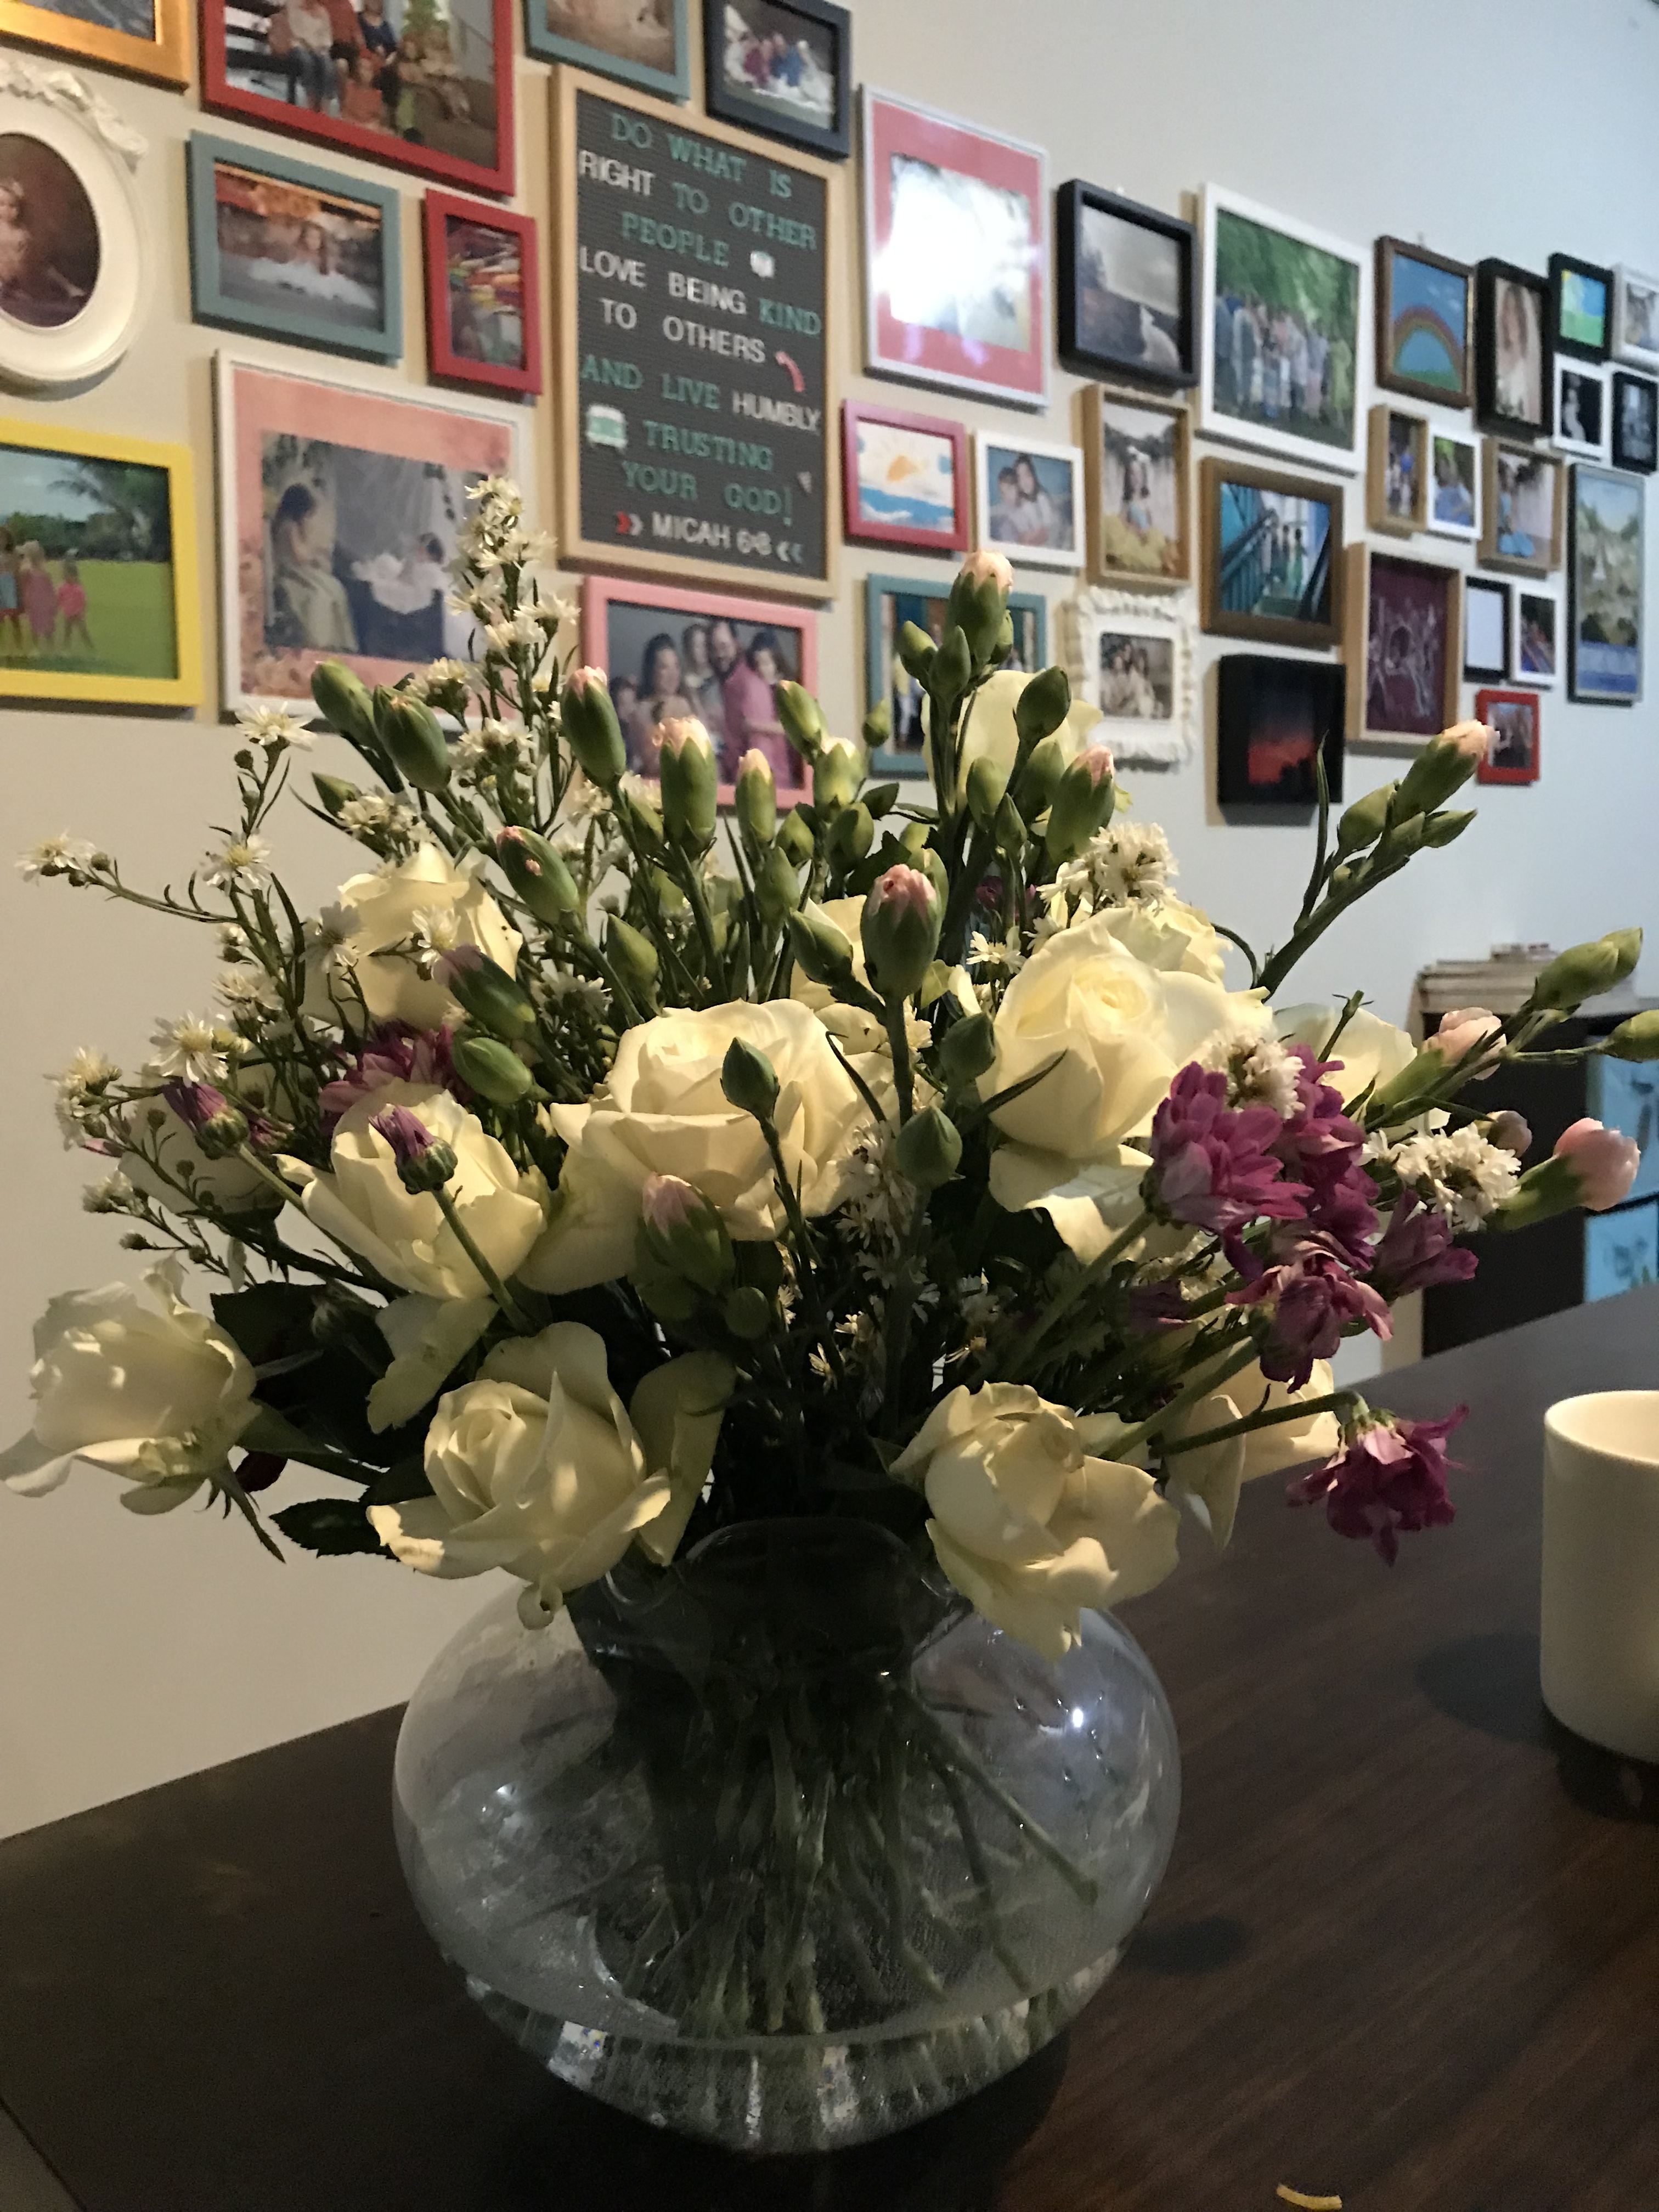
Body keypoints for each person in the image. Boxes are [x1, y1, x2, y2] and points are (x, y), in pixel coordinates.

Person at [268, 483, 356, 651]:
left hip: (301, 571)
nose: (308, 518)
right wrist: (314, 558)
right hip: (291, 573)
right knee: (320, 594)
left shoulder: (294, 525)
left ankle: (339, 643)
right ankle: (321, 642)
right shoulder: (289, 526)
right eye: (308, 514)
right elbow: (298, 556)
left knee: (336, 589)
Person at [0, 177, 88, 328]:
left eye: (13, 206)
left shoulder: (21, 233)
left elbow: (25, 258)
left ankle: (69, 288)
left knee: (44, 268)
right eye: (1, 205)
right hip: (4, 273)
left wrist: (26, 265)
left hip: (20, 272)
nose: (7, 211)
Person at [720, 628, 793, 783]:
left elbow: (790, 728)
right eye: (758, 664)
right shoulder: (757, 686)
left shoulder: (786, 687)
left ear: (777, 661)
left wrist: (754, 725)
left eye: (766, 663)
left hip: (782, 759)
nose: (762, 669)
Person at [627, 633, 693, 769]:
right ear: (652, 671)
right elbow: (653, 761)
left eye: (676, 666)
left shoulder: (684, 704)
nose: (673, 674)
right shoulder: (640, 711)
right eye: (664, 667)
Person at [679, 620, 725, 743]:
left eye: (705, 645)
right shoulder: (685, 682)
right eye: (697, 646)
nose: (703, 650)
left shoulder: (720, 675)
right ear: (689, 650)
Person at [1495, 281, 1536, 421]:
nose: (1510, 318)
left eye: (1515, 311)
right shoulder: (1495, 357)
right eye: (1507, 310)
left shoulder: (1529, 367)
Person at [21, 543, 57, 654]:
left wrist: (53, 603)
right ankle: (36, 648)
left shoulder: (45, 572)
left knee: (48, 627)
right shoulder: (28, 571)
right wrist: (25, 601)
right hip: (33, 602)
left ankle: (51, 649)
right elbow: (24, 587)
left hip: (45, 602)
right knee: (34, 626)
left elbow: (50, 589)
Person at [56, 557, 92, 654]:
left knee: (83, 632)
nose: (67, 578)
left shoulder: (78, 589)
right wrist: (57, 608)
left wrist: (82, 611)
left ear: (75, 576)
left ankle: (91, 649)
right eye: (65, 575)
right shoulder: (63, 588)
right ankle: (66, 649)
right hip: (68, 614)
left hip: (78, 614)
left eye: (69, 576)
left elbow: (83, 601)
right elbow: (59, 599)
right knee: (68, 632)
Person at [0, 527, 21, 654]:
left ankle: (19, 647)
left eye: (3, 538)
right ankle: (2, 648)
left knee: (14, 619)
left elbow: (16, 571)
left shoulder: (12, 554)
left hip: (9, 587)